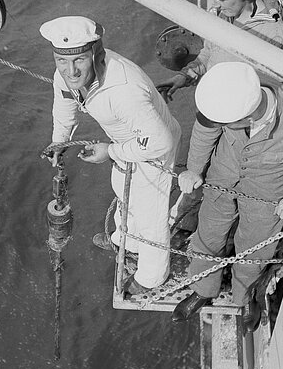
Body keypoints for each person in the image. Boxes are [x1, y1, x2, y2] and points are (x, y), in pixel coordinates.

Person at [171, 61, 283, 329]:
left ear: (248, 117)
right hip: (223, 176)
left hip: (270, 193)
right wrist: (194, 170)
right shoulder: (227, 92)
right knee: (209, 234)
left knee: (254, 247)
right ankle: (203, 289)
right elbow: (204, 130)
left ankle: (245, 297)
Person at [40, 16, 182, 296]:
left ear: (96, 54)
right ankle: (126, 243)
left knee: (149, 211)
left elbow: (160, 142)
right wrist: (59, 142)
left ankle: (151, 277)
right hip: (126, 142)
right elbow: (65, 106)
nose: (71, 71)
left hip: (152, 147)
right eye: (62, 61)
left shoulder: (123, 91)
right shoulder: (65, 77)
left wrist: (112, 152)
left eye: (79, 60)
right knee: (123, 190)